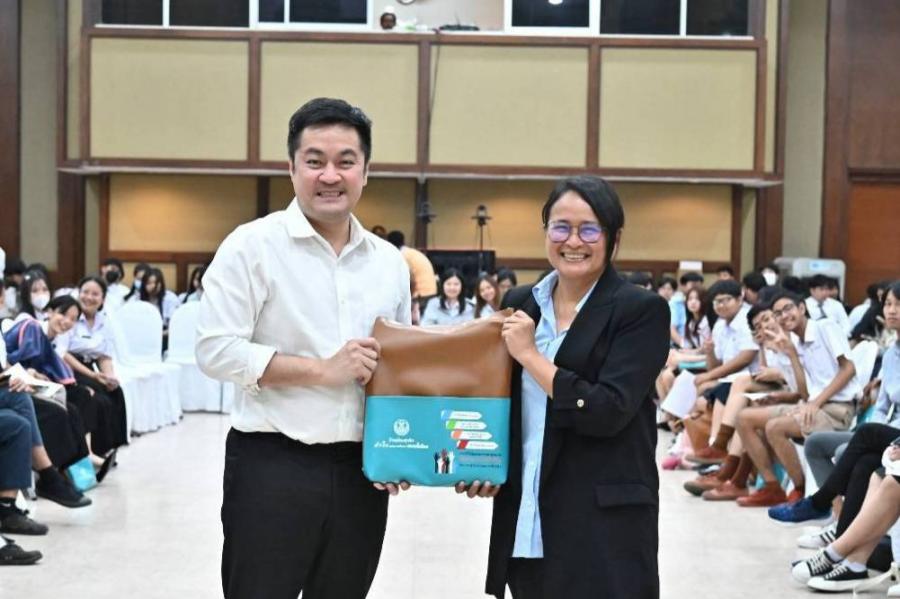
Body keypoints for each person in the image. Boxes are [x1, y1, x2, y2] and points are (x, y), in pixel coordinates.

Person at [196, 97, 412, 599]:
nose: (330, 175)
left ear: (366, 171)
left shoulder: (389, 263)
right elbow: (215, 350)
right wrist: (322, 370)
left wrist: (398, 451)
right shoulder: (251, 246)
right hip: (272, 465)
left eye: (345, 161)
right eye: (315, 161)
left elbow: (398, 366)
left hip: (361, 472)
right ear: (292, 168)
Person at [458, 176, 670, 599]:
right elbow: (501, 402)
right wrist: (484, 466)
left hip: (603, 525)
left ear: (614, 238)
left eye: (589, 229)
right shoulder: (521, 303)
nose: (573, 241)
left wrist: (531, 356)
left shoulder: (640, 310)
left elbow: (608, 409)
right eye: (561, 227)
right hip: (527, 515)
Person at [735, 291, 859, 507]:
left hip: (838, 409)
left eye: (788, 309)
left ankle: (800, 491)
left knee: (775, 427)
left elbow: (848, 369)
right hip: (812, 405)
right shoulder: (794, 343)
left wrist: (814, 403)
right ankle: (772, 487)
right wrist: (791, 354)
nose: (784, 316)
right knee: (744, 417)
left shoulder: (825, 327)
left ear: (801, 308)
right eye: (778, 313)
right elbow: (804, 393)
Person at [62, 276, 128, 479]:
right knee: (96, 398)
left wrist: (109, 377)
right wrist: (93, 375)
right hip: (71, 368)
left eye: (95, 294)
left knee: (115, 392)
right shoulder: (70, 316)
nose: (89, 297)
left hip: (92, 367)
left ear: (103, 299)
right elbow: (63, 353)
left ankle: (108, 448)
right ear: (78, 293)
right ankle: (90, 452)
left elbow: (104, 356)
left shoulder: (104, 321)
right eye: (85, 292)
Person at [386, 230, 437, 303]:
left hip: (421, 294)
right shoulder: (410, 252)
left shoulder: (402, 255)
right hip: (431, 291)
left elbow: (406, 280)